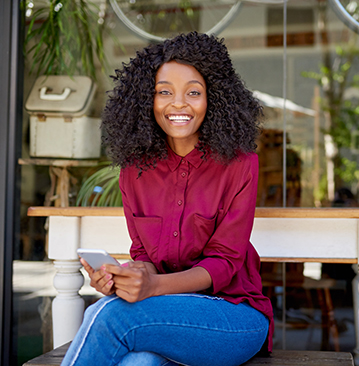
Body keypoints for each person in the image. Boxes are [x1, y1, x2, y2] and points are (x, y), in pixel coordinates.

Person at [61, 32, 273, 366]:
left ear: (213, 99)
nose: (178, 104)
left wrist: (152, 286)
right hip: (161, 318)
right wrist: (124, 278)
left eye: (193, 92)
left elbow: (225, 263)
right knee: (137, 363)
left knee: (109, 315)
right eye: (164, 92)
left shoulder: (240, 164)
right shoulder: (134, 172)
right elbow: (144, 255)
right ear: (147, 99)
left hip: (232, 317)